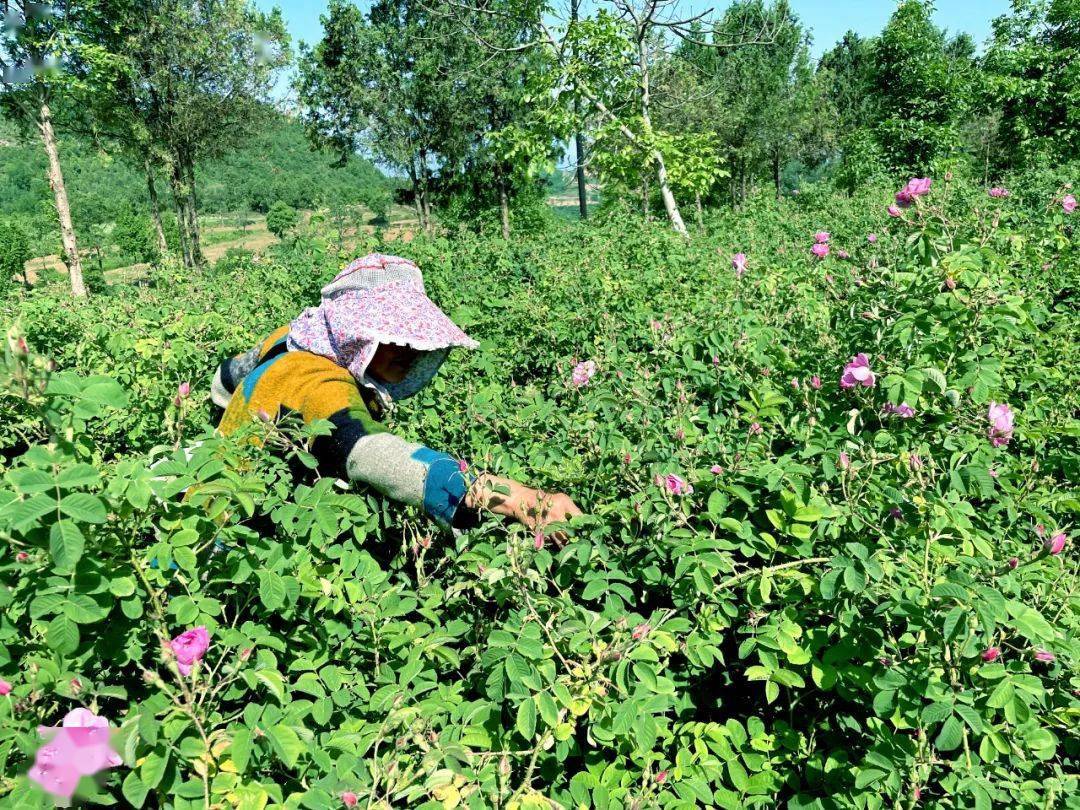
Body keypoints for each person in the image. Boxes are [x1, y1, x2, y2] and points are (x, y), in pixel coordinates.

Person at [211, 253, 582, 539]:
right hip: (223, 532)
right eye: (387, 333)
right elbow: (370, 452)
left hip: (208, 489)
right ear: (351, 332)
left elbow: (226, 377)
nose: (407, 348)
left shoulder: (296, 336)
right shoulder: (316, 381)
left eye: (409, 334)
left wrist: (231, 424)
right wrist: (513, 497)